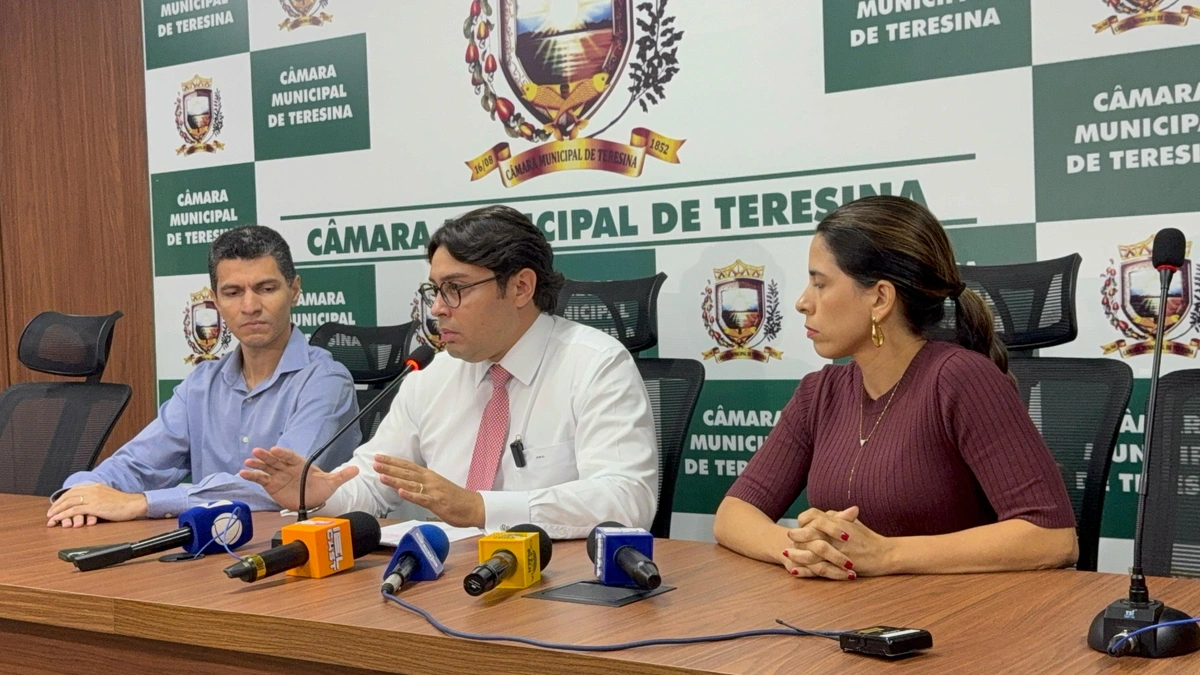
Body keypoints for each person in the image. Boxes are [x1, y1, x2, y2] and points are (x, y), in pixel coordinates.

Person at [240, 205, 658, 540]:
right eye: (434, 290)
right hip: (442, 581)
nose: (438, 308)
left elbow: (627, 498)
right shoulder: (430, 373)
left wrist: (480, 508)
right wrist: (323, 493)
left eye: (455, 288)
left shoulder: (595, 364)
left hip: (553, 589)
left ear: (521, 287)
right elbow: (373, 480)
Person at [713, 196, 1078, 579]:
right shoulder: (819, 393)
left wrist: (887, 555)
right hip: (854, 620)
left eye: (820, 284)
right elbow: (733, 515)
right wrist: (802, 550)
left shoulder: (960, 378)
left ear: (881, 298)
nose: (803, 302)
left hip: (959, 623)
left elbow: (1052, 537)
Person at [47, 225, 360, 527]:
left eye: (266, 289)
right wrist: (80, 492)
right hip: (209, 553)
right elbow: (138, 462)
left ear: (293, 291)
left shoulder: (327, 382)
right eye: (233, 292)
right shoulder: (202, 383)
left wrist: (143, 503)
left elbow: (279, 488)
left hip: (296, 557)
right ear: (217, 301)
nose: (250, 306)